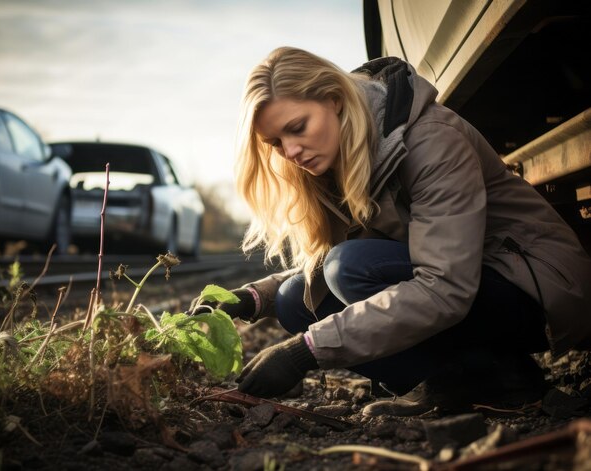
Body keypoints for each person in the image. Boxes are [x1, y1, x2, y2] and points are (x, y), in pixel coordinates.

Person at [195, 46, 591, 416]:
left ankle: (500, 373)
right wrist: (250, 300)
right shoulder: (341, 155)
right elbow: (348, 256)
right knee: (294, 299)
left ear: (334, 98)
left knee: (347, 268)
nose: (292, 151)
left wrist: (305, 352)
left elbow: (443, 285)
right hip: (468, 283)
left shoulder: (430, 140)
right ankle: (464, 380)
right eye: (277, 143)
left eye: (297, 127)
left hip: (537, 287)